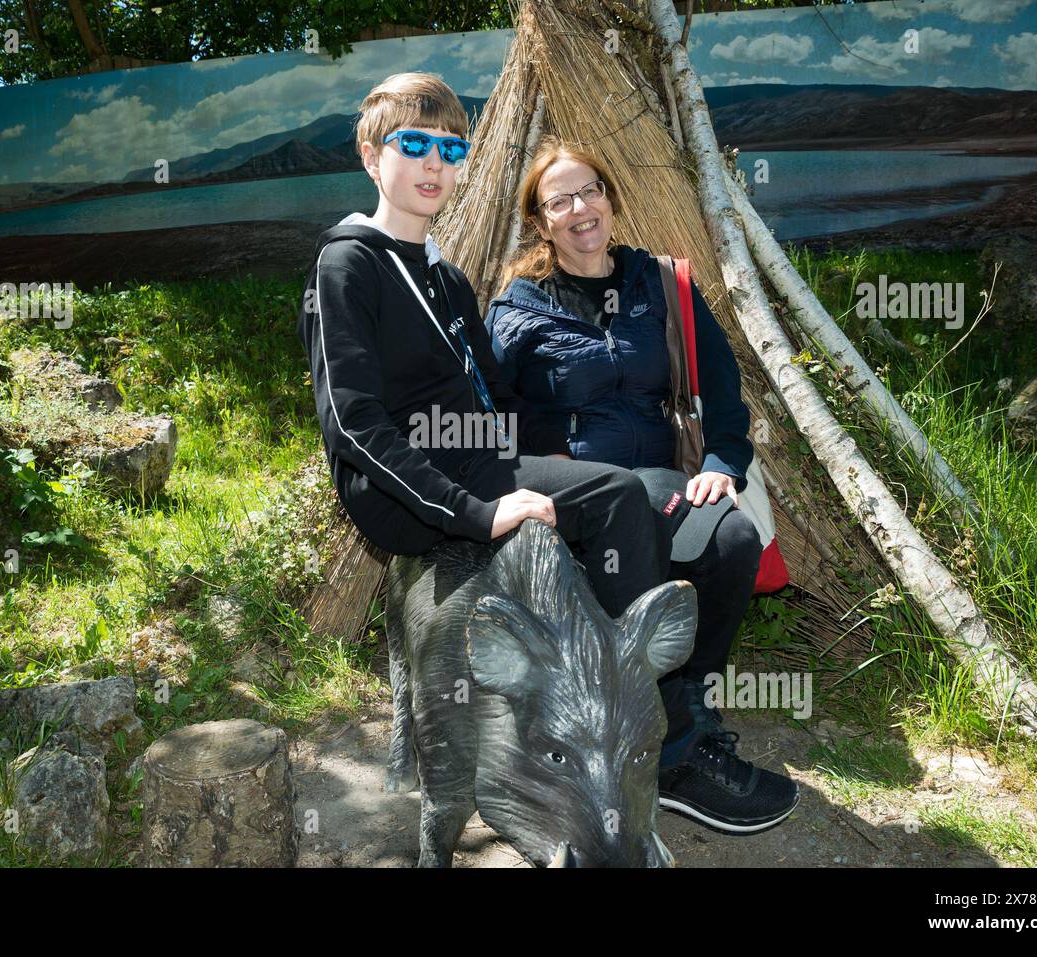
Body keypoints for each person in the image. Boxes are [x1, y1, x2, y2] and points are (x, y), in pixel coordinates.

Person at [486, 137, 799, 833]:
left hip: (660, 477)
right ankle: (677, 752)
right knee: (634, 512)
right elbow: (485, 417)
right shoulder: (518, 309)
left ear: (611, 197)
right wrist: (526, 478)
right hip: (578, 491)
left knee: (733, 538)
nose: (579, 209)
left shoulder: (660, 284)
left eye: (588, 190)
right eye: (558, 200)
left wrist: (722, 464)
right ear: (540, 222)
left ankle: (687, 701)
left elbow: (721, 390)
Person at [295, 72, 678, 627]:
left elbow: (493, 392)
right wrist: (472, 513)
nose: (435, 163)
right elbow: (352, 424)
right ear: (371, 157)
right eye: (415, 144)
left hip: (473, 456)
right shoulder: (346, 265)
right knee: (617, 494)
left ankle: (613, 667)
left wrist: (556, 450)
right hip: (407, 492)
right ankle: (651, 697)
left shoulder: (443, 276)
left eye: (451, 149)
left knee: (625, 487)